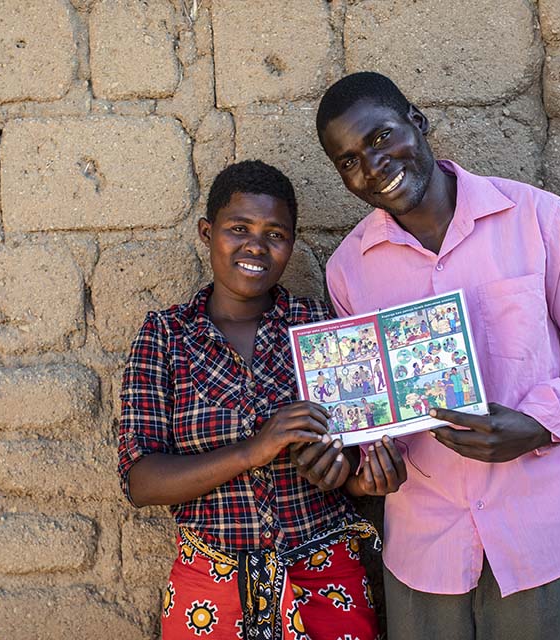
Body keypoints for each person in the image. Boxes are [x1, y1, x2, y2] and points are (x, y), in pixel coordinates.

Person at [301, 72, 560, 639]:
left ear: (417, 120)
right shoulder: (349, 269)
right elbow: (369, 408)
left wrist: (537, 423)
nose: (373, 166)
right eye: (349, 161)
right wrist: (362, 464)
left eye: (380, 138)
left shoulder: (536, 218)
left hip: (538, 532)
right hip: (424, 550)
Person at [117, 160, 406, 640]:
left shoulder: (321, 328)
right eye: (238, 228)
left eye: (276, 234)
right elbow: (141, 481)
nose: (256, 245)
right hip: (211, 590)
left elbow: (355, 456)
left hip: (326, 580)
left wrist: (355, 477)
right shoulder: (166, 336)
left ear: (291, 245)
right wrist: (256, 448)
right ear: (207, 233)